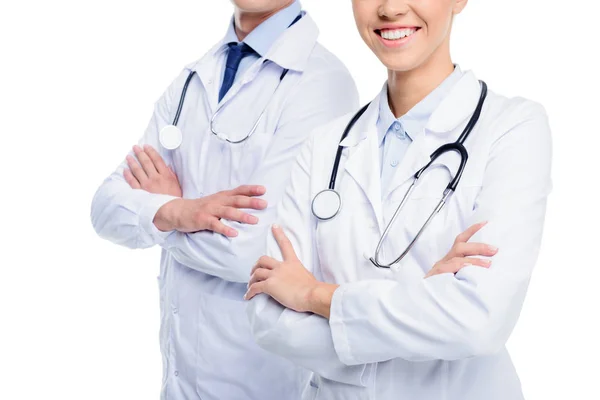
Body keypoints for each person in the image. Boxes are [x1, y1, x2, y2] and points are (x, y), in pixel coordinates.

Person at [245, 0, 552, 399]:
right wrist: (423, 306)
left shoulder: (512, 128)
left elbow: (478, 321)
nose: (390, 8)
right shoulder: (323, 146)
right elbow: (269, 320)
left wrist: (313, 295)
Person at [90, 1, 358, 399]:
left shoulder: (321, 83)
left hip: (260, 379)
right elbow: (105, 207)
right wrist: (179, 211)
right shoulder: (193, 77)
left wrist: (158, 218)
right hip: (178, 378)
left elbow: (255, 251)